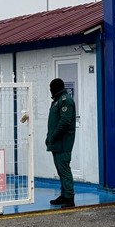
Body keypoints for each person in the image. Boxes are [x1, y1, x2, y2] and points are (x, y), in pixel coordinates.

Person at [46, 77, 77, 206]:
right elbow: (54, 122)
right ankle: (64, 195)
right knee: (60, 170)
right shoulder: (57, 101)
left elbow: (64, 122)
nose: (50, 90)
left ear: (56, 88)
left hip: (63, 142)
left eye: (51, 88)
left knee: (64, 170)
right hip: (56, 142)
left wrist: (53, 136)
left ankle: (69, 197)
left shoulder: (65, 101)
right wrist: (49, 137)